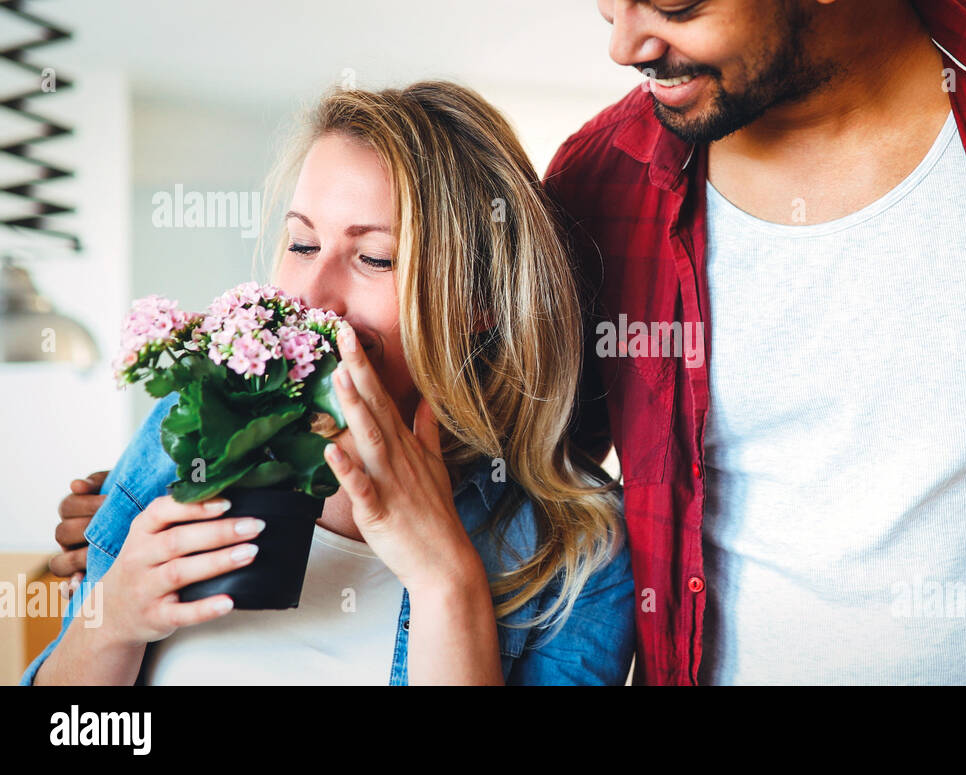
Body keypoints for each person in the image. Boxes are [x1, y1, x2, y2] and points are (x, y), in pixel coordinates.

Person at [53, 0, 966, 686]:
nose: (624, 40)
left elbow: (531, 503)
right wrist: (132, 556)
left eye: (675, 1)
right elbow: (527, 438)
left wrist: (443, 575)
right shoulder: (602, 185)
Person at [25, 80, 635, 685]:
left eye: (374, 257)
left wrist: (446, 581)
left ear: (482, 300)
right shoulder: (184, 433)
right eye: (303, 243)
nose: (313, 297)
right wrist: (111, 625)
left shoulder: (577, 551)